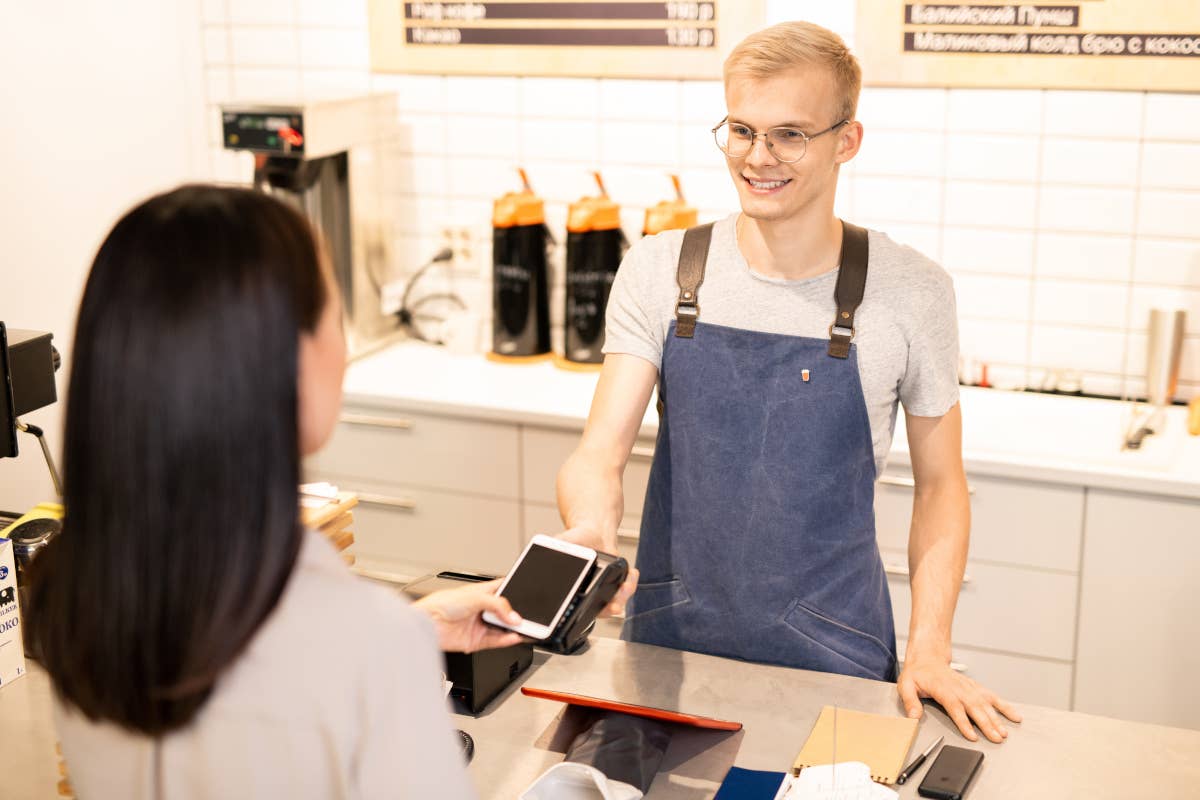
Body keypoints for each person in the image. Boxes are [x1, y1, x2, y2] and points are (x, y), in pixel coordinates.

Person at [557, 21, 1021, 744]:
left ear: (847, 140)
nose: (758, 157)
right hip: (666, 645)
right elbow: (599, 452)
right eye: (741, 130)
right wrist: (590, 531)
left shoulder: (913, 293)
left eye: (790, 135)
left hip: (839, 653)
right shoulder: (660, 270)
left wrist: (930, 644)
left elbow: (941, 487)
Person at [28, 184, 524, 799]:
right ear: (285, 364)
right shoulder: (369, 651)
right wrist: (391, 644)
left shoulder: (70, 601)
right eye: (332, 311)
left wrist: (408, 625)